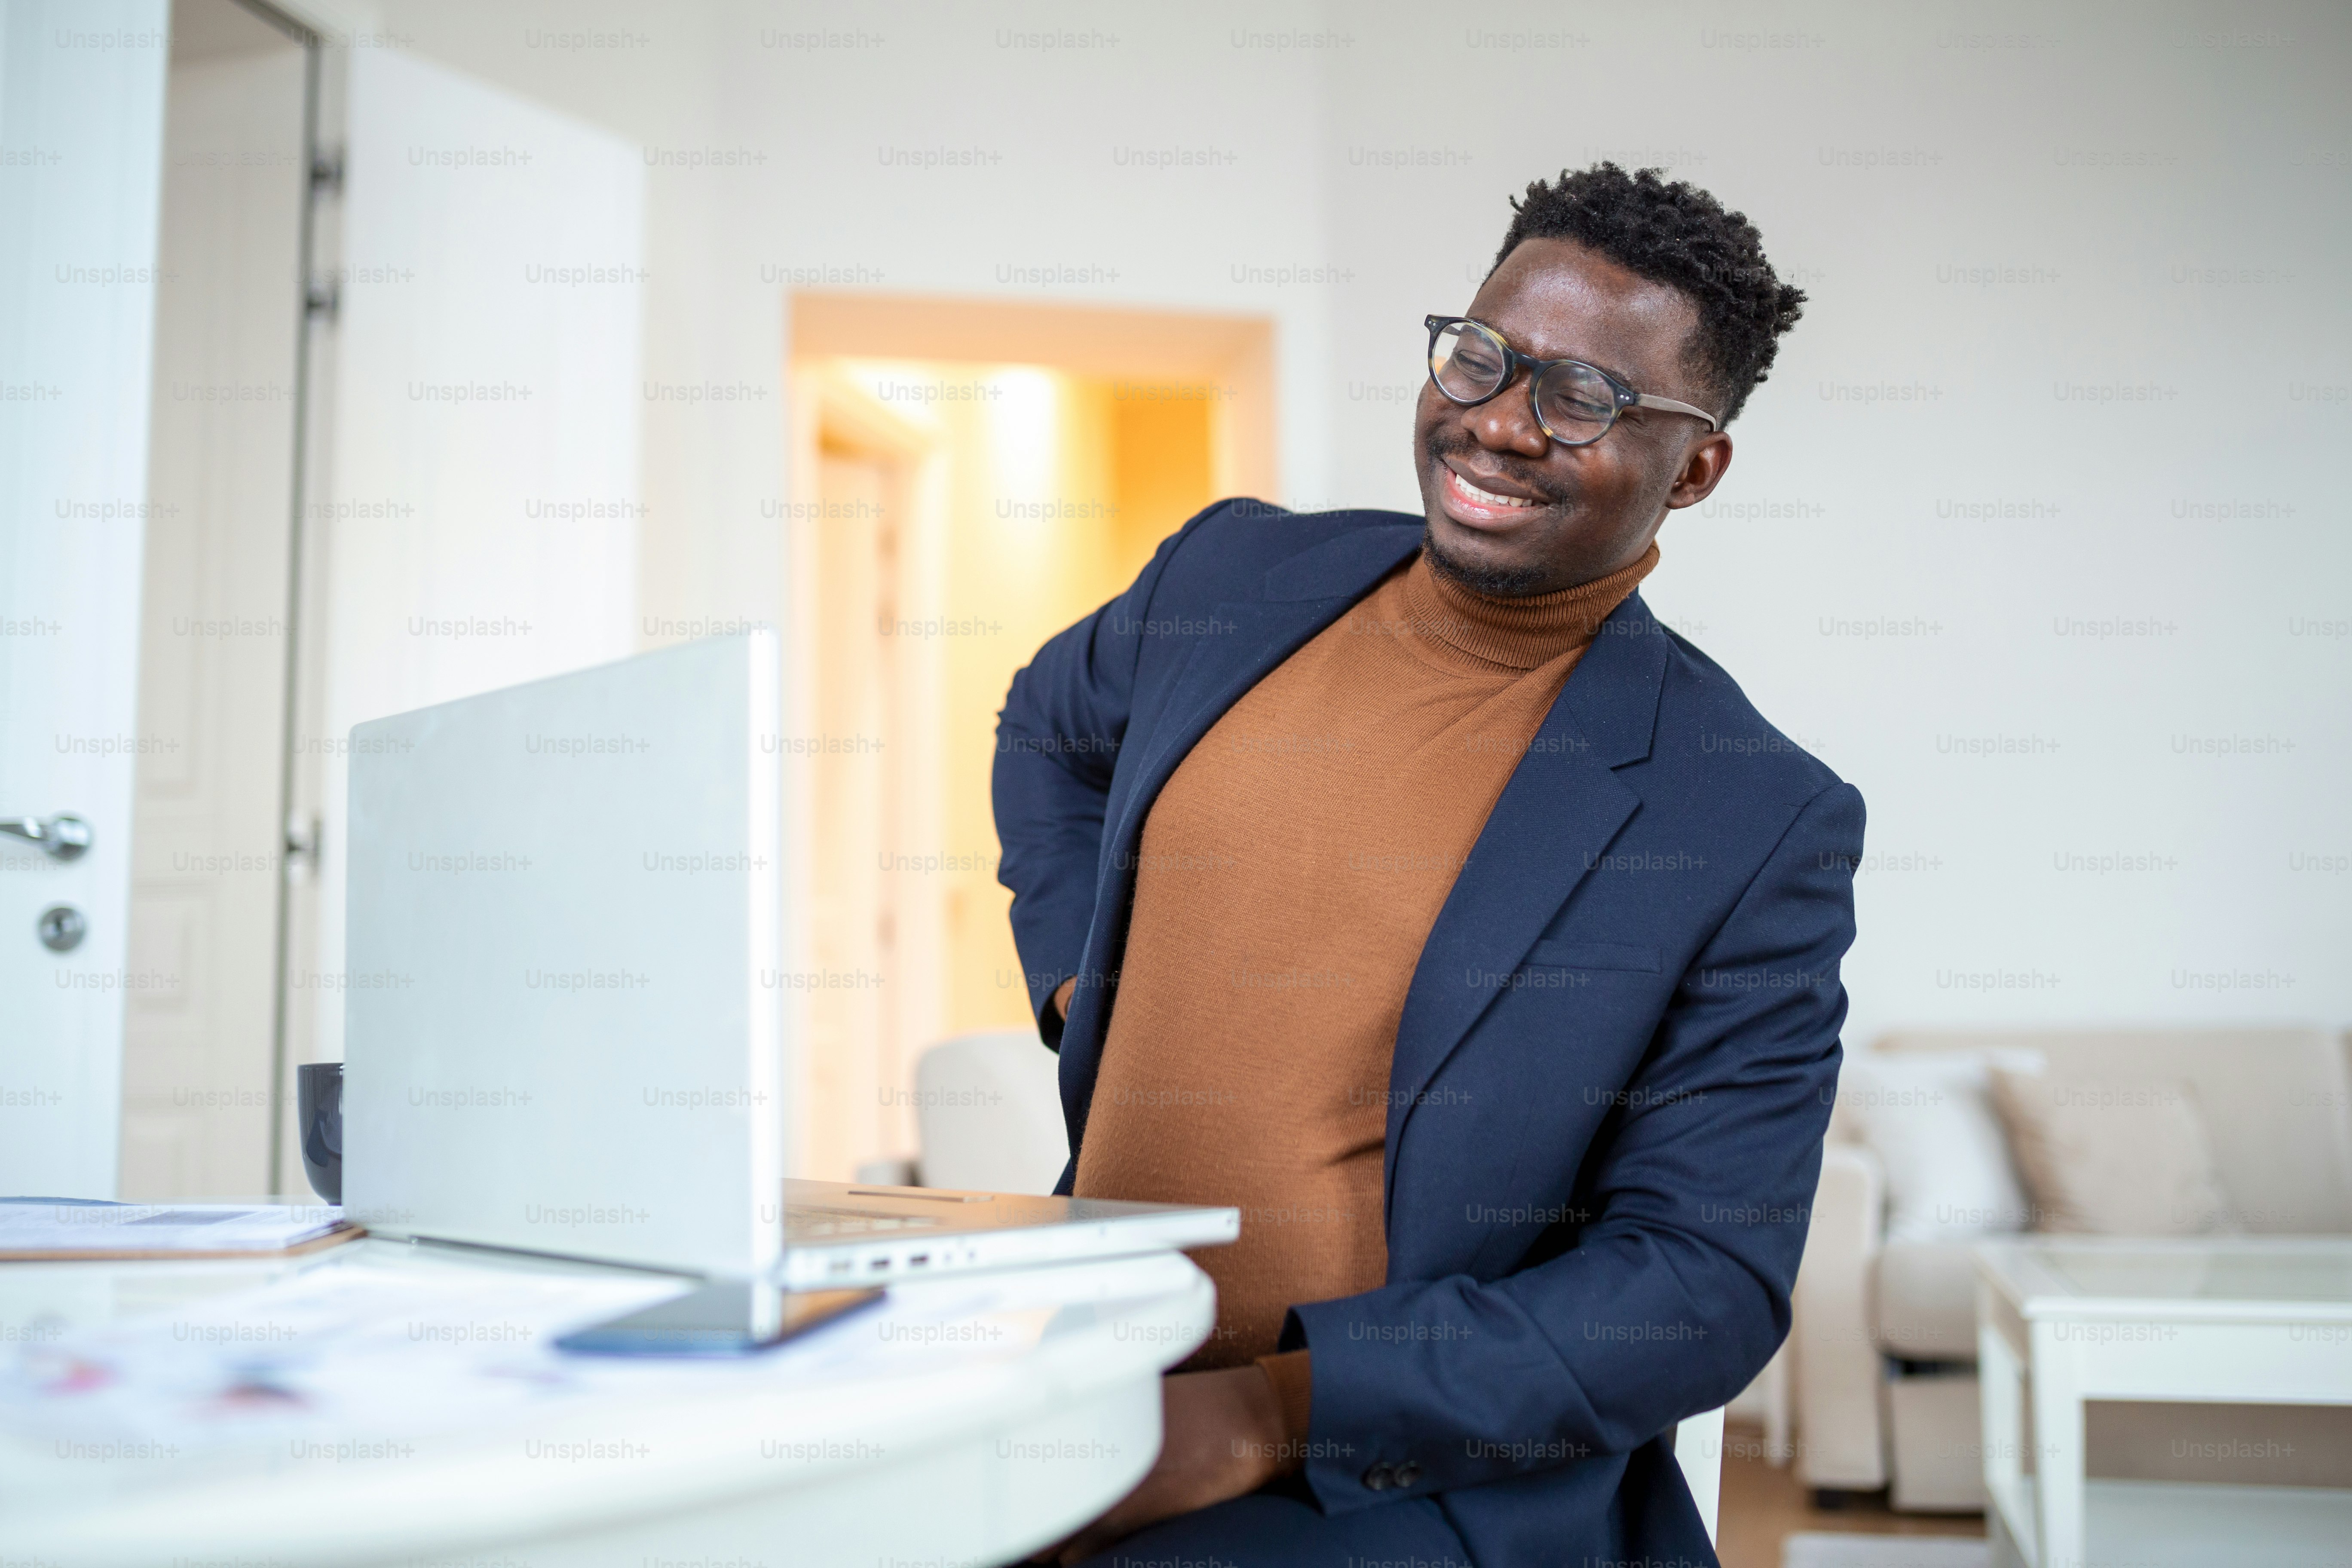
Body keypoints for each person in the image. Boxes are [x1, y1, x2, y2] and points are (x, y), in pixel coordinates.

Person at [993, 162, 1862, 1568]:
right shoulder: (1232, 579)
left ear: (1693, 468)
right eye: (1483, 355)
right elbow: (1047, 728)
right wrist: (1078, 982)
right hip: (1077, 1377)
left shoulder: (1751, 815)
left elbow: (1701, 1282)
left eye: (1584, 397)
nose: (1503, 424)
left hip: (1390, 1481)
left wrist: (1258, 1419)